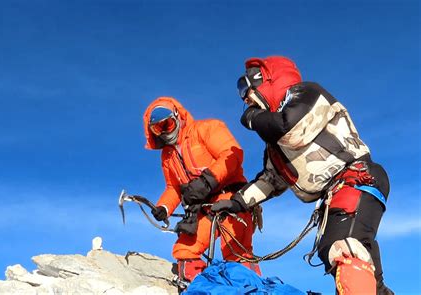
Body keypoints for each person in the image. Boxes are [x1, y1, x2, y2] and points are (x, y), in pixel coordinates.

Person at [211, 56, 393, 294]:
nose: (244, 97)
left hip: (355, 180)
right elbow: (270, 181)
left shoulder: (307, 94)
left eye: (245, 87)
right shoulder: (275, 149)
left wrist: (252, 118)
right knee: (357, 262)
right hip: (339, 193)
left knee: (343, 248)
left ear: (266, 80)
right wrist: (235, 203)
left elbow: (291, 128)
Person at [143, 96, 261, 287]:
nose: (165, 131)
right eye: (158, 128)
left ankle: (249, 289)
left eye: (168, 123)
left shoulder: (207, 128)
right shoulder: (167, 156)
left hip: (232, 200)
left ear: (178, 117)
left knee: (235, 250)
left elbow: (232, 154)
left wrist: (207, 181)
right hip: (203, 209)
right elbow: (173, 187)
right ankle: (195, 287)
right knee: (184, 249)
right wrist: (164, 207)